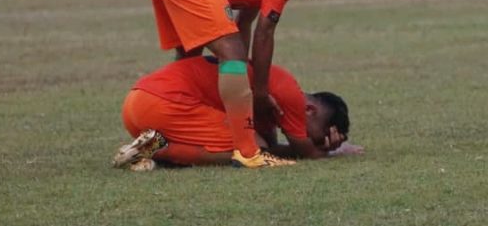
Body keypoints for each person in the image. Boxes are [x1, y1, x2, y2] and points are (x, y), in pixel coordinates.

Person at [144, 0, 363, 168]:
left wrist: (243, 78)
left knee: (191, 56)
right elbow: (264, 32)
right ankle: (248, 152)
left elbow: (244, 23)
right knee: (231, 55)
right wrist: (259, 91)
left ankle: (163, 136)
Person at [112, 56, 361, 170]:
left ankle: (152, 145)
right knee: (251, 152)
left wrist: (320, 148)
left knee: (255, 146)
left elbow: (274, 148)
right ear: (310, 110)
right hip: (165, 103)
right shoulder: (290, 95)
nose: (312, 141)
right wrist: (328, 152)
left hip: (137, 103)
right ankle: (155, 150)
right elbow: (290, 151)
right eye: (318, 136)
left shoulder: (272, 99)